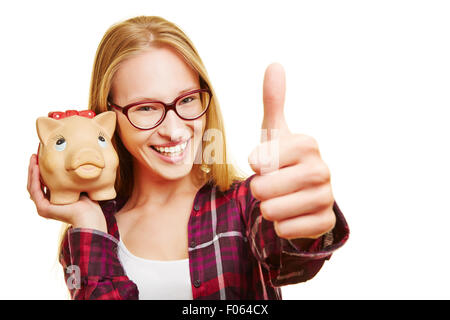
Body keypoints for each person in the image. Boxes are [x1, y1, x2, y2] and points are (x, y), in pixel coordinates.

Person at [27, 15, 349, 300]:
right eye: (146, 108)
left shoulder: (246, 204)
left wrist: (307, 219)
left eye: (188, 99)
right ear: (110, 118)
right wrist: (89, 222)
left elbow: (294, 254)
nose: (174, 128)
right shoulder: (86, 238)